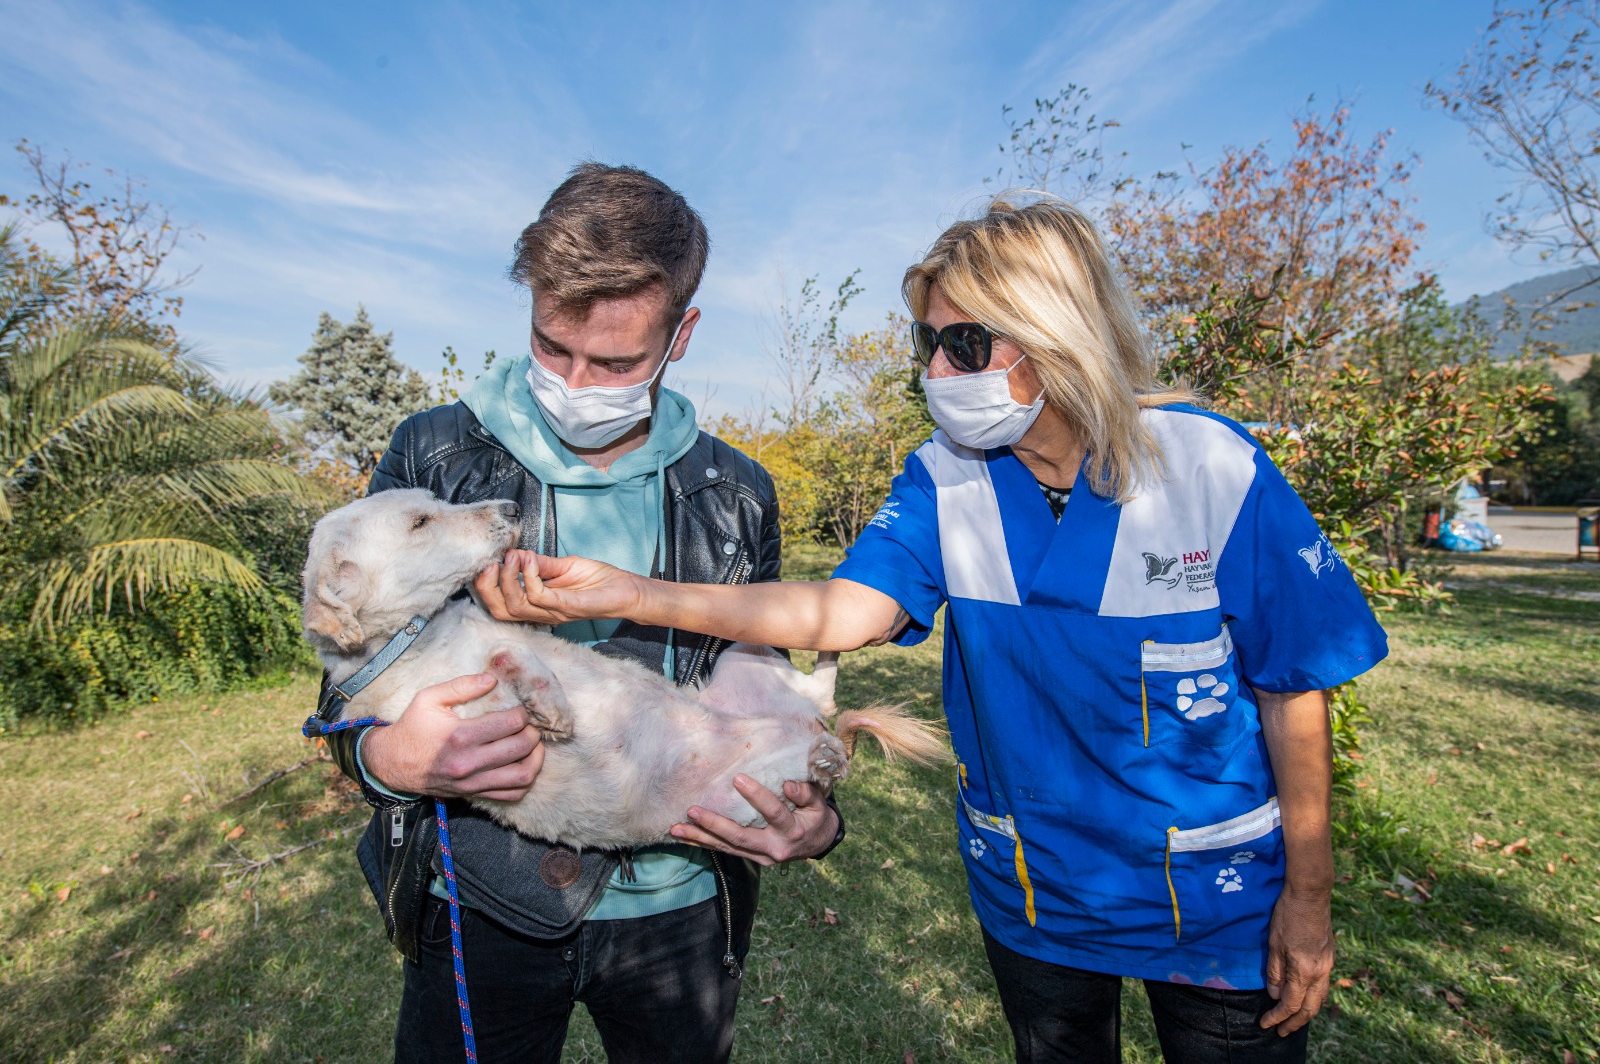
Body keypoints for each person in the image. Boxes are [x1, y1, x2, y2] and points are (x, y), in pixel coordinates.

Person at [478, 197, 1390, 1063]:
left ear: (1057, 335)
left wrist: (1308, 900)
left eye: (965, 343)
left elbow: (1292, 685)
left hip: (1215, 899)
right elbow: (840, 612)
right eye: (930, 343)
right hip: (1036, 894)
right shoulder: (947, 478)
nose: (937, 374)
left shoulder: (1211, 468)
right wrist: (634, 593)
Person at [316, 163, 844, 1064]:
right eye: (552, 346)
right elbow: (344, 687)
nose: (574, 380)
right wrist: (388, 759)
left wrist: (819, 816)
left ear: (682, 334)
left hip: (682, 904)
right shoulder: (433, 458)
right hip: (482, 903)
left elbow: (763, 684)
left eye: (615, 363)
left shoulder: (739, 491)